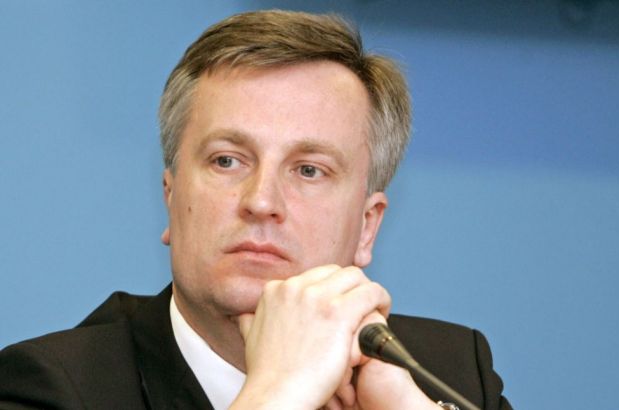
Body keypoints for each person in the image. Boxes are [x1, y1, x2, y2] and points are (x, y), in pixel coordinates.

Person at [0, 10, 511, 410]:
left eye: (309, 170)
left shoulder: (449, 372)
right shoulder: (51, 387)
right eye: (227, 160)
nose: (262, 202)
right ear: (171, 199)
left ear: (366, 227)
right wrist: (278, 391)